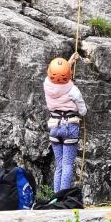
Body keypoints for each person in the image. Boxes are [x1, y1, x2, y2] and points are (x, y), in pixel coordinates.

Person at [44, 52, 86, 193]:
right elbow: (83, 110)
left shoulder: (47, 85)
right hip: (70, 127)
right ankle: (63, 198)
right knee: (68, 164)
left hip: (54, 127)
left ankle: (56, 197)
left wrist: (69, 62)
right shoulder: (73, 90)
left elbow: (58, 76)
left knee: (60, 165)